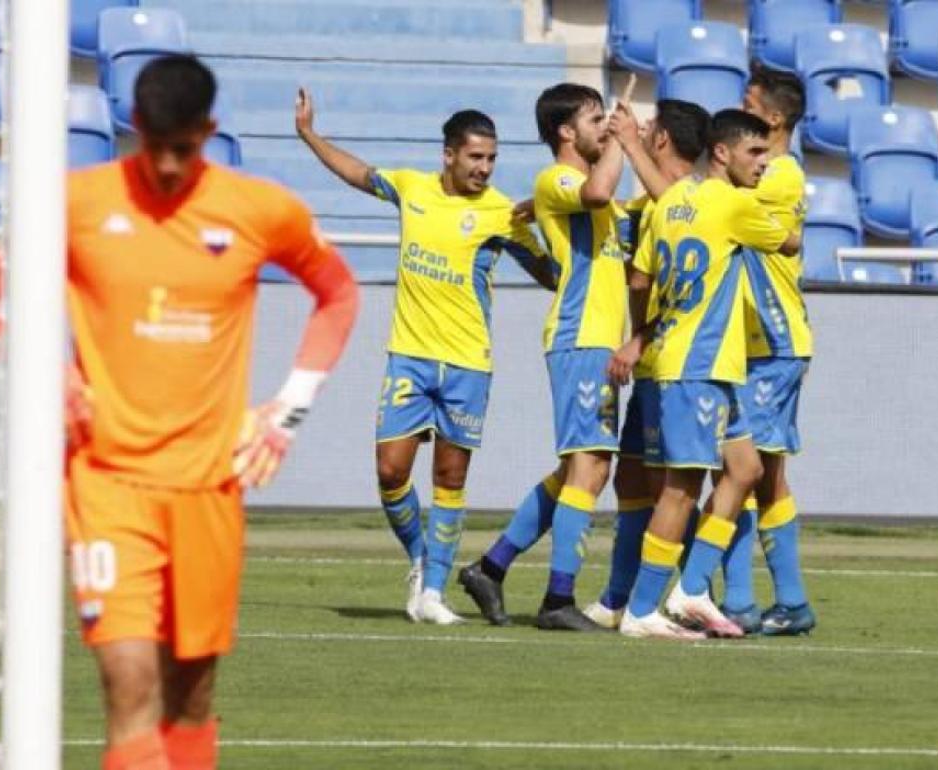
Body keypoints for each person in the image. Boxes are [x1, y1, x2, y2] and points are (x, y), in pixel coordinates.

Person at [0, 55, 358, 770]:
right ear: (134, 127)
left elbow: (339, 293)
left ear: (210, 130)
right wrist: (43, 374)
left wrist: (286, 409)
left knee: (191, 694)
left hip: (208, 487)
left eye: (187, 149)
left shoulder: (258, 209)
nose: (169, 166)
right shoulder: (72, 202)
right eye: (157, 146)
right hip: (108, 486)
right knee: (129, 682)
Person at [295, 90, 554, 624]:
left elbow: (549, 273)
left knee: (450, 479)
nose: (484, 168)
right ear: (449, 155)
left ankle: (433, 591)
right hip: (409, 357)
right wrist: (310, 135)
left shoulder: (503, 214)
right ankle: (419, 556)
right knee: (390, 471)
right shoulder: (411, 189)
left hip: (467, 364)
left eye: (491, 159)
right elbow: (360, 174)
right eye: (475, 157)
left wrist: (555, 221)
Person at [609, 110, 800, 640]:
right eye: (755, 154)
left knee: (745, 470)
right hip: (697, 364)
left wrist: (646, 330)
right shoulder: (735, 204)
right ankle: (643, 610)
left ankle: (691, 587)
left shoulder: (668, 203)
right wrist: (790, 208)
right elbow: (789, 242)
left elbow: (641, 275)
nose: (764, 163)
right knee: (680, 490)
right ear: (722, 153)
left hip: (697, 360)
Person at [459, 83, 629, 632]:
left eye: (607, 118)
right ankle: (558, 599)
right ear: (565, 131)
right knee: (590, 466)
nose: (605, 125)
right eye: (596, 118)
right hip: (582, 337)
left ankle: (492, 566)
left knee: (574, 469)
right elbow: (600, 196)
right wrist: (624, 141)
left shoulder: (572, 185)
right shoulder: (558, 178)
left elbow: (620, 204)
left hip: (593, 338)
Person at [581, 98, 711, 629]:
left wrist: (638, 336)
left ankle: (684, 593)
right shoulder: (655, 206)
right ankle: (618, 598)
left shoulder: (696, 204)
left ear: (659, 141)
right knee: (633, 480)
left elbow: (668, 288)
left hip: (676, 365)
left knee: (672, 487)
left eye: (648, 131)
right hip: (656, 367)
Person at [719, 65, 816, 636]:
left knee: (740, 469)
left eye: (748, 101)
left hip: (772, 344)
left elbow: (707, 195)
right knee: (766, 475)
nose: (739, 106)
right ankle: (792, 602)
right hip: (767, 344)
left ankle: (736, 602)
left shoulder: (777, 175)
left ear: (773, 119)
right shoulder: (771, 171)